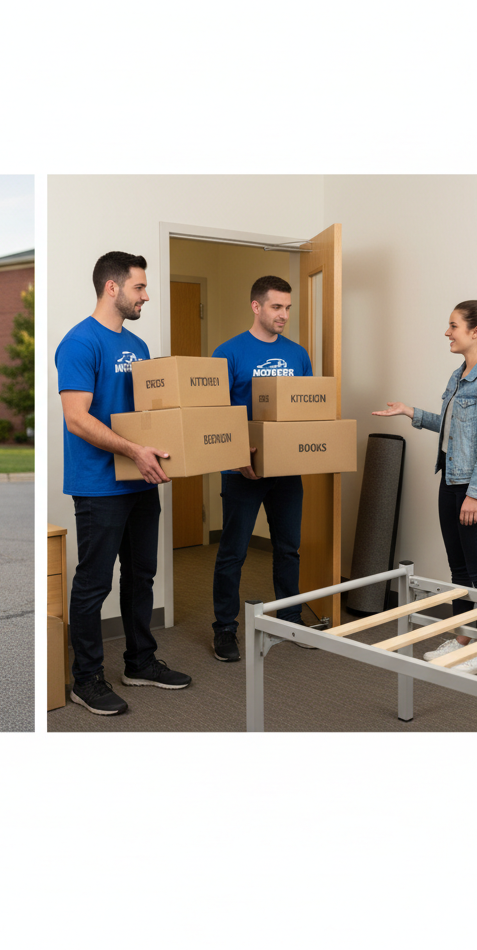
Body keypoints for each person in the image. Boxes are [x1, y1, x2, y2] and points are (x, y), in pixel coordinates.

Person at [55, 251, 191, 715]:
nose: (146, 296)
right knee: (94, 584)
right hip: (98, 485)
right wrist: (134, 450)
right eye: (139, 287)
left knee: (141, 575)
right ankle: (86, 678)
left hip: (140, 482)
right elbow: (76, 419)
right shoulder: (79, 343)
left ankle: (140, 662)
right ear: (112, 288)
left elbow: (147, 417)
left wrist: (164, 447)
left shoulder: (137, 347)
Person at [373, 300, 477, 674]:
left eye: (453, 326)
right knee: (459, 568)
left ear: (476, 332)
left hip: (476, 489)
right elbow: (454, 429)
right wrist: (409, 412)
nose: (447, 332)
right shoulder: (459, 375)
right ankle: (464, 638)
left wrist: (475, 493)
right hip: (451, 482)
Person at [211, 276, 313, 663]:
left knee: (288, 548)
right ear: (256, 306)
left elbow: (306, 412)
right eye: (276, 307)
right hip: (243, 472)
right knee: (233, 552)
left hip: (286, 471)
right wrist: (238, 456)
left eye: (288, 307)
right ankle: (224, 630)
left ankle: (290, 619)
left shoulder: (298, 355)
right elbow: (218, 415)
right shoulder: (229, 353)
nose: (284, 314)